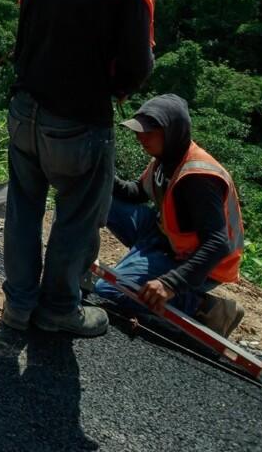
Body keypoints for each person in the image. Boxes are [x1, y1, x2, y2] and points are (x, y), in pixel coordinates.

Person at [2, 0, 160, 337]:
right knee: (77, 215)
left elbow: (21, 49)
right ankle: (58, 308)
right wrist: (117, 87)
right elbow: (137, 65)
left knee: (24, 207)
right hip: (78, 121)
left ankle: (17, 305)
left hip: (23, 110)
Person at [93, 94, 246, 337]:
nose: (139, 137)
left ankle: (204, 308)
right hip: (162, 237)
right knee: (93, 197)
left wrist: (169, 283)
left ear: (172, 131)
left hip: (196, 261)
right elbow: (135, 192)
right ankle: (133, 263)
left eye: (148, 132)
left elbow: (218, 244)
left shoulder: (198, 177)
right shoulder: (166, 159)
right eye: (139, 131)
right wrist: (101, 172)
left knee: (109, 290)